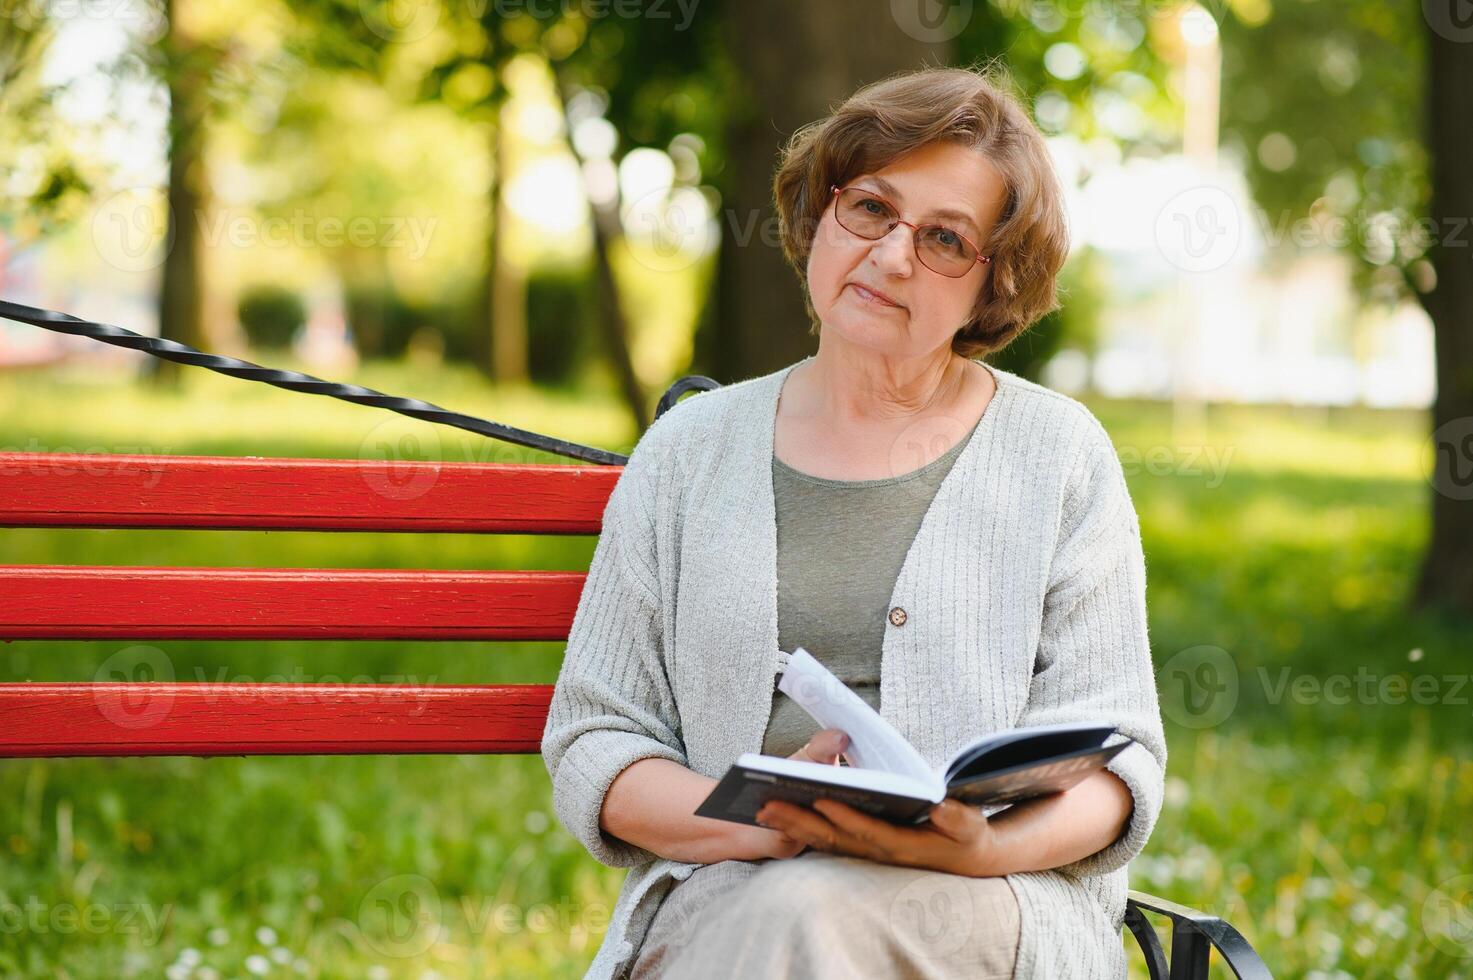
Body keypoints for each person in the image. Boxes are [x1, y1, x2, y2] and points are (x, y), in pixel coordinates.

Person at [541, 63, 1166, 980]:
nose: (891, 255)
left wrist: (977, 848)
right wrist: (768, 825)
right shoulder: (687, 453)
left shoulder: (1058, 453)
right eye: (871, 208)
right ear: (822, 213)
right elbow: (599, 739)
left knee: (803, 924)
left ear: (992, 284)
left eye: (945, 238)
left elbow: (1118, 762)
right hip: (732, 890)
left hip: (992, 908)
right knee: (791, 915)